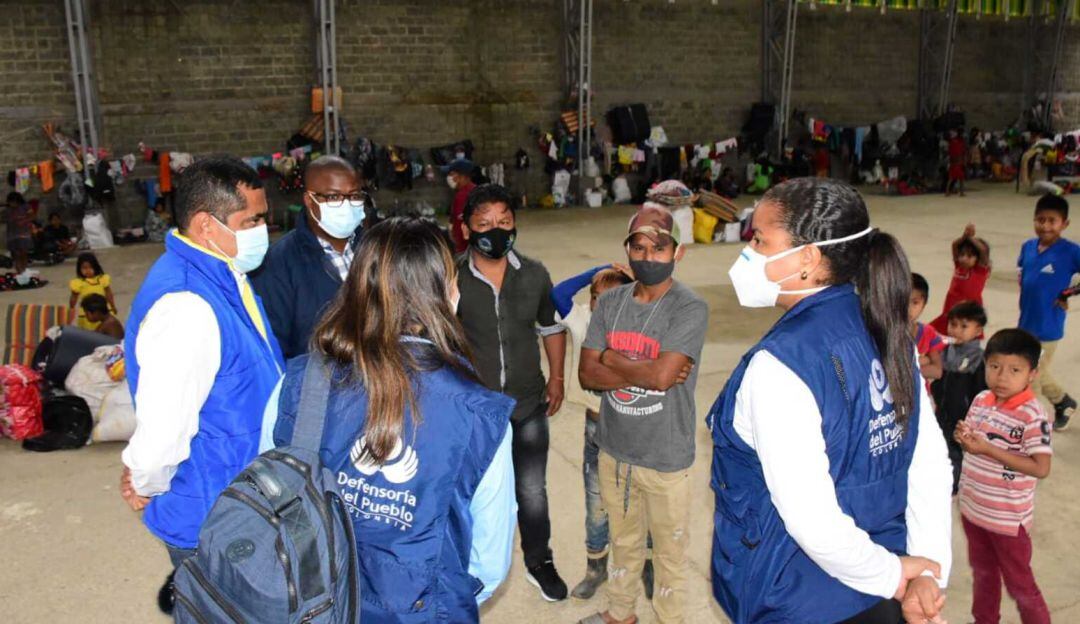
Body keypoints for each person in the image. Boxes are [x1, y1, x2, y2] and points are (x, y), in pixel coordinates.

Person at [708, 178, 953, 624]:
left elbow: (812, 520)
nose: (748, 253)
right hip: (881, 580)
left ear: (807, 258)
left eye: (760, 240)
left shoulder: (780, 365)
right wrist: (926, 572)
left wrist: (894, 576)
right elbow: (928, 464)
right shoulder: (888, 330)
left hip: (800, 595)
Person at [261, 216, 516, 621]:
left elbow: (267, 499)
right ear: (445, 295)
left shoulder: (297, 382)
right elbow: (487, 563)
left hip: (313, 604)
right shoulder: (480, 414)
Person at [118, 157, 283, 615]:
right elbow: (163, 429)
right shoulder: (186, 305)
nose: (262, 232)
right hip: (217, 516)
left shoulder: (223, 275)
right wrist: (145, 480)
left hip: (245, 499)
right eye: (251, 221)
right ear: (207, 225)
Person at [578, 204, 709, 624]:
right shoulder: (610, 302)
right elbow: (587, 374)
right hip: (614, 450)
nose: (647, 256)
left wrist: (611, 358)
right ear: (627, 251)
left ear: (677, 252)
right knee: (624, 542)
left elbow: (663, 377)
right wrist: (647, 369)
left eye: (659, 248)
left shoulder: (688, 307)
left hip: (665, 457)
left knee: (669, 554)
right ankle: (621, 614)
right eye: (638, 248)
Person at [454, 183, 569, 601]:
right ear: (466, 229)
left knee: (532, 490)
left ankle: (540, 561)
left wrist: (557, 378)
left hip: (527, 403)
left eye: (504, 221)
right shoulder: (451, 277)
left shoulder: (534, 274)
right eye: (484, 223)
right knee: (471, 490)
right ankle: (464, 564)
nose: (496, 230)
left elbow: (551, 328)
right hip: (475, 409)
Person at [550, 264, 657, 601]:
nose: (600, 304)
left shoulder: (637, 323)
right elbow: (558, 293)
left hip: (634, 426)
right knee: (596, 502)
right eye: (596, 297)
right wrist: (597, 271)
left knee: (641, 496)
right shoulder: (582, 318)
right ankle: (596, 568)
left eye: (611, 299)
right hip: (596, 429)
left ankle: (648, 564)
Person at [955, 328, 1053, 624]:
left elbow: (1041, 467)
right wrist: (965, 437)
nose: (1002, 377)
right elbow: (976, 442)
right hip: (974, 511)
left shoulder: (1032, 415)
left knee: (1020, 584)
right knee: (983, 575)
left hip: (1007, 521)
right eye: (995, 366)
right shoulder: (982, 399)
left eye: (1014, 370)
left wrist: (988, 449)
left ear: (1032, 374)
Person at [252, 156, 366, 360]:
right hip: (314, 377)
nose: (347, 205)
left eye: (354, 196)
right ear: (309, 200)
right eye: (333, 197)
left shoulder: (376, 249)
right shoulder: (278, 263)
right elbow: (274, 347)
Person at [1018, 193, 1080, 430]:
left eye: (1052, 221)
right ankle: (1064, 402)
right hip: (1026, 322)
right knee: (1034, 370)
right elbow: (1025, 275)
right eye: (1040, 220)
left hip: (1048, 326)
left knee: (1030, 377)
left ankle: (1032, 427)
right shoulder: (1028, 247)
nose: (1045, 226)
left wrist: (1068, 293)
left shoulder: (1071, 252)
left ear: (1064, 224)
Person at [931, 301, 988, 495]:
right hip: (942, 412)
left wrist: (975, 419)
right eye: (953, 324)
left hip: (964, 418)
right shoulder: (945, 351)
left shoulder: (979, 359)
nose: (956, 330)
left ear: (978, 330)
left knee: (957, 452)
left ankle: (954, 485)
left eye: (964, 326)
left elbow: (981, 392)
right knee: (940, 446)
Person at [930, 223, 991, 335]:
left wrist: (970, 238)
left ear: (978, 259)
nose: (964, 258)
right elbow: (954, 245)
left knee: (965, 333)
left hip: (968, 310)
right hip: (951, 307)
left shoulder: (980, 271)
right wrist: (964, 236)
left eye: (969, 256)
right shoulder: (959, 266)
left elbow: (982, 250)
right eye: (962, 254)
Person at [910, 272, 944, 385]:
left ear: (924, 305)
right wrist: (923, 361)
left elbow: (937, 371)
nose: (908, 308)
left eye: (915, 303)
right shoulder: (885, 331)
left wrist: (906, 368)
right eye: (902, 301)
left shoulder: (927, 333)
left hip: (920, 393)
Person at [69, 252, 117, 331]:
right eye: (84, 268)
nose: (87, 270)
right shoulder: (78, 283)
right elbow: (73, 297)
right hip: (87, 314)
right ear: (79, 269)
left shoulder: (103, 279)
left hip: (102, 311)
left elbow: (109, 294)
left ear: (95, 267)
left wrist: (113, 306)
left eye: (90, 267)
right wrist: (71, 309)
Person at [444, 159, 476, 254]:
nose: (449, 178)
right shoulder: (475, 190)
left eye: (452, 174)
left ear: (462, 177)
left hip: (464, 249)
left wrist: (457, 249)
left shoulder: (463, 196)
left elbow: (459, 228)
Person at [5, 192, 35, 275]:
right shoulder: (8, 209)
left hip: (24, 233)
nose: (13, 204)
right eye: (11, 202)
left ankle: (24, 270)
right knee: (16, 253)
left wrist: (24, 221)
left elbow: (32, 216)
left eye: (14, 201)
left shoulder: (26, 207)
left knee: (23, 252)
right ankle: (19, 271)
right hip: (12, 234)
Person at [946, 129, 967, 196]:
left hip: (955, 162)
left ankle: (948, 191)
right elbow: (962, 152)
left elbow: (950, 152)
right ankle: (961, 192)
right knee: (959, 178)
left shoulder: (953, 142)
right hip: (957, 162)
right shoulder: (959, 142)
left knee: (953, 178)